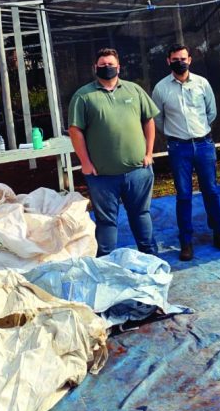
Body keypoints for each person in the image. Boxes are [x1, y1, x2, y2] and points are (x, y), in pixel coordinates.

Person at [68, 48, 159, 257]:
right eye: (102, 64)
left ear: (119, 67)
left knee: (141, 214)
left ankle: (151, 258)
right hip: (102, 176)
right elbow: (75, 130)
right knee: (106, 221)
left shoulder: (133, 90)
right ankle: (105, 265)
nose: (106, 67)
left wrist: (149, 153)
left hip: (138, 170)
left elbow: (149, 120)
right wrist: (86, 163)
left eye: (110, 64)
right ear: (95, 68)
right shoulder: (83, 96)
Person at [151, 43, 220, 261]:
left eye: (183, 58)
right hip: (179, 148)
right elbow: (158, 120)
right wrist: (176, 136)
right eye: (175, 59)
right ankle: (186, 242)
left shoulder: (202, 83)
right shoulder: (161, 89)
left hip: (204, 145)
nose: (180, 62)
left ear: (190, 59)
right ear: (168, 61)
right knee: (184, 196)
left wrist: (199, 134)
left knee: (211, 191)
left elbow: (211, 112)